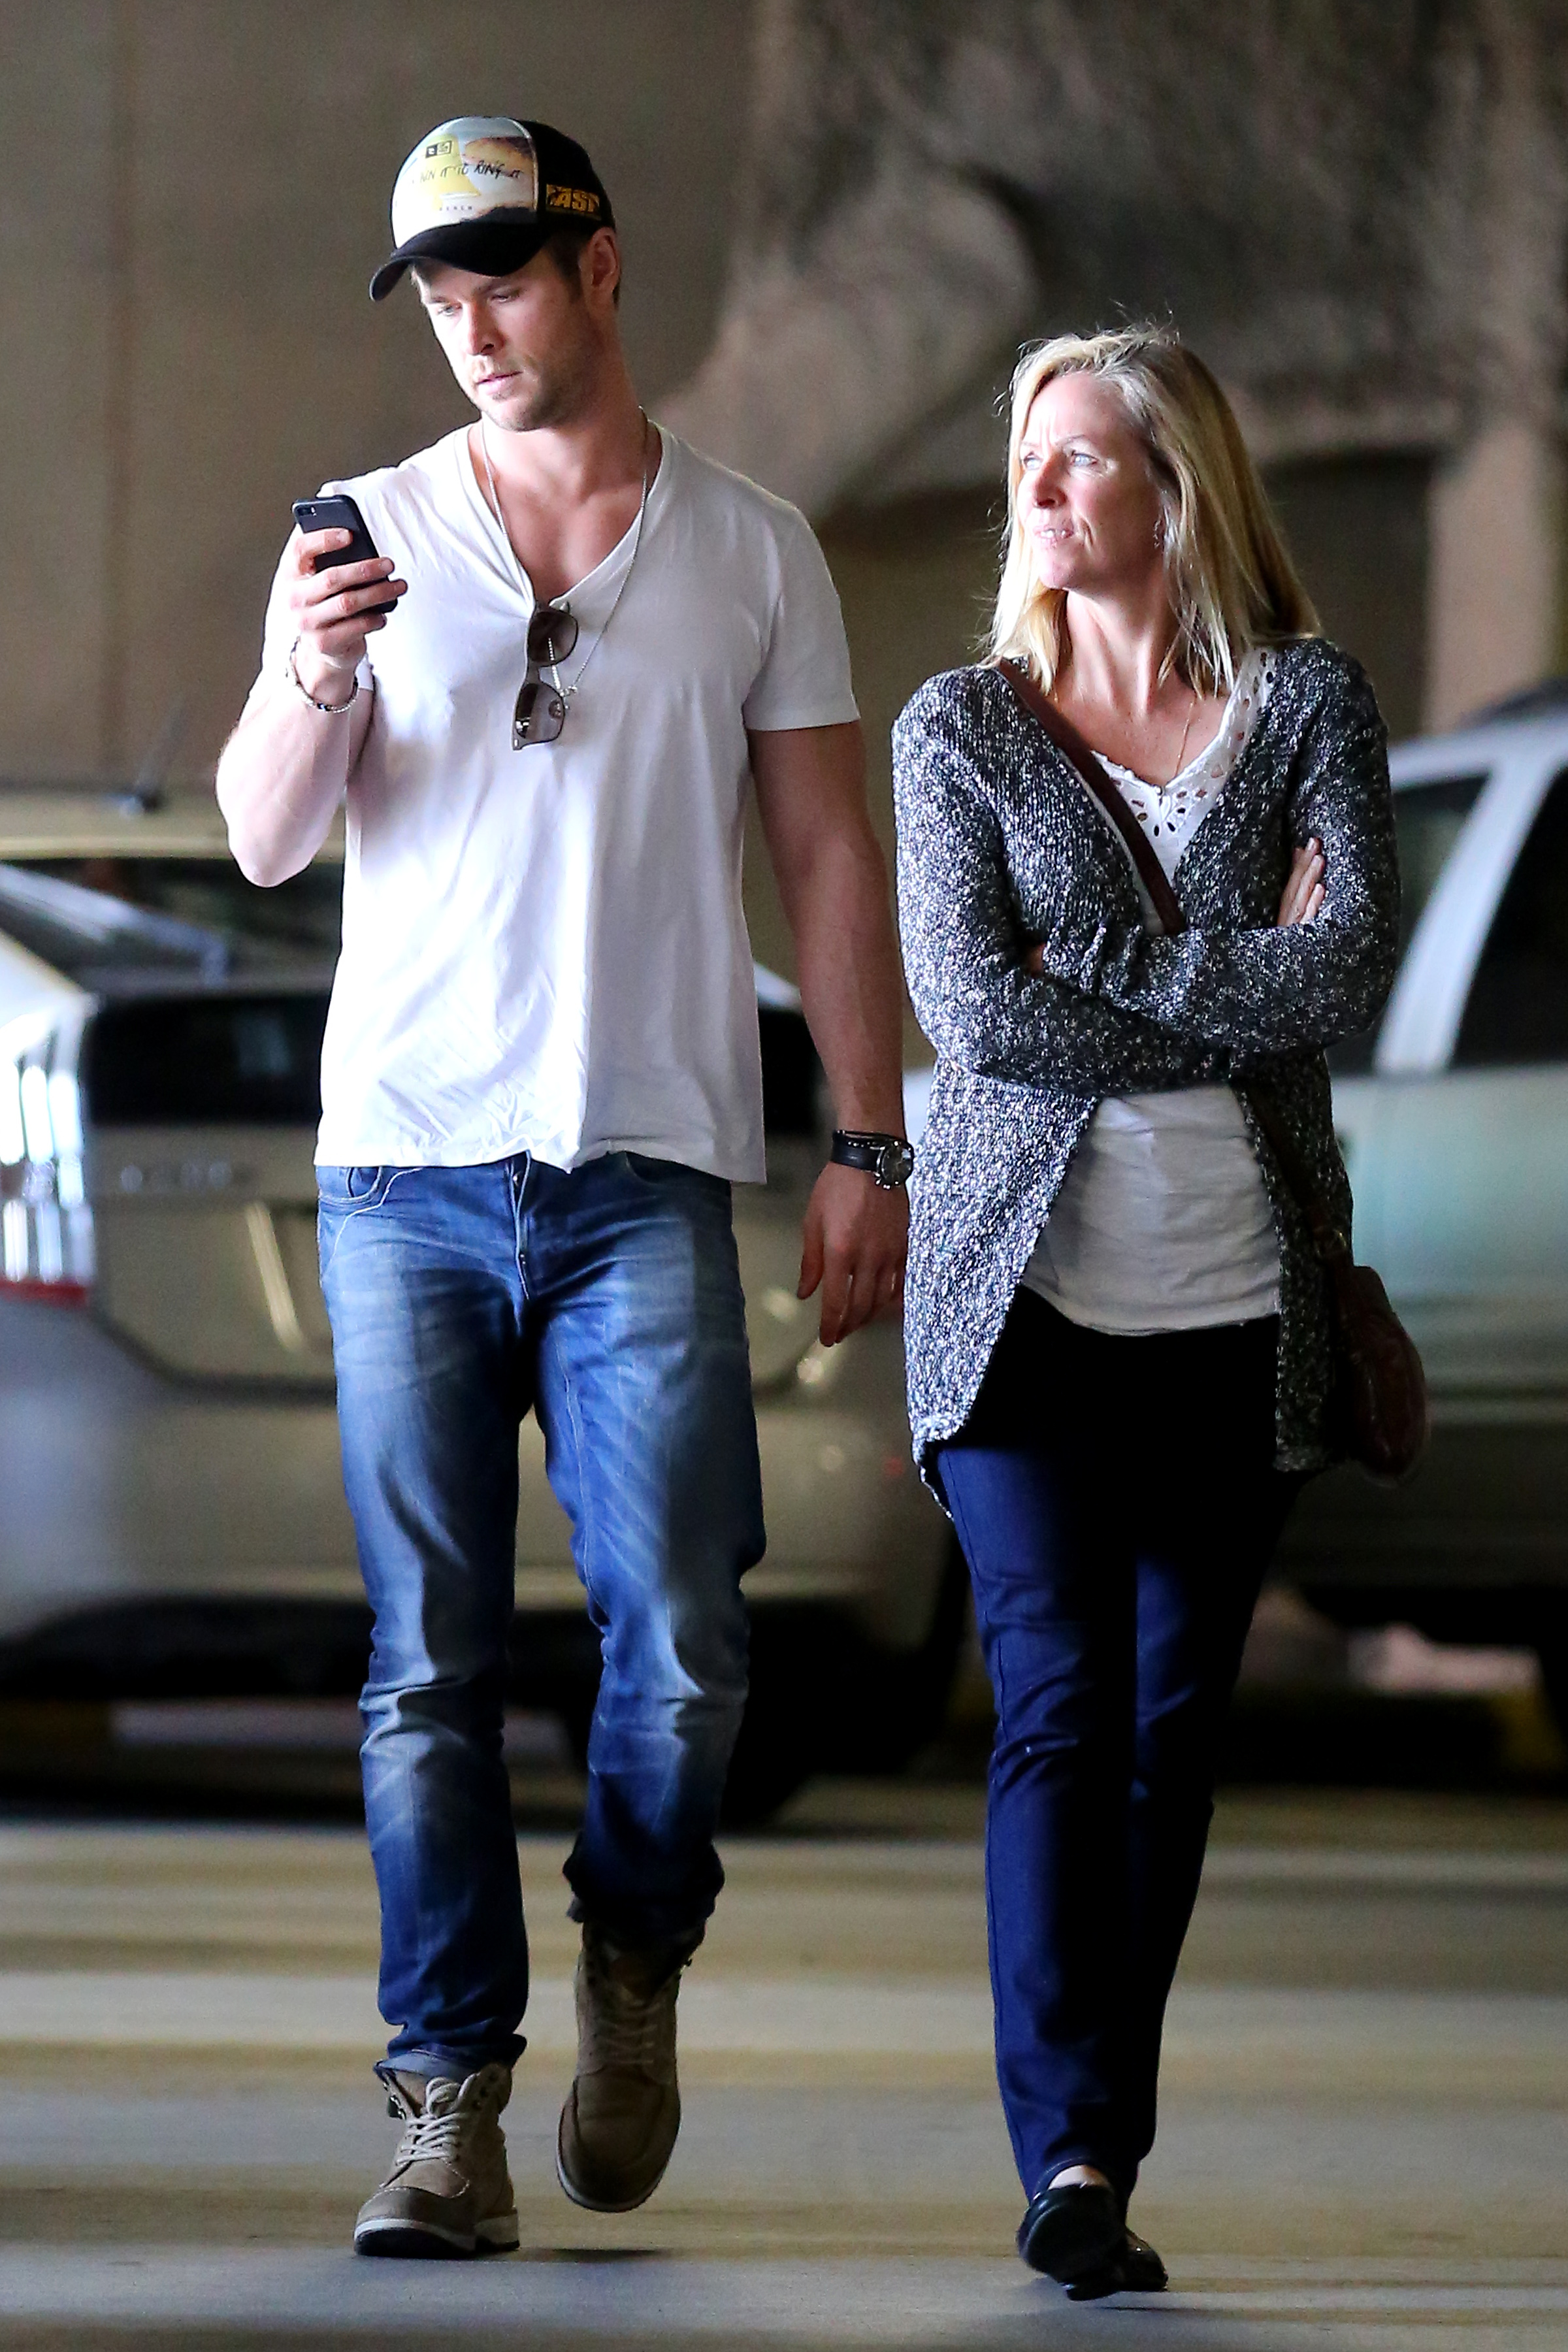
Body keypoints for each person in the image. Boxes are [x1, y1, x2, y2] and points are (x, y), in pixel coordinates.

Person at [216, 114, 911, 2259]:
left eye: (504, 278)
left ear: (601, 270)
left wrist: (869, 1137)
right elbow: (266, 834)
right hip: (405, 1175)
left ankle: (634, 1946)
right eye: (439, 294)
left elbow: (824, 858)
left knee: (686, 1642)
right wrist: (314, 669)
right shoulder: (362, 534)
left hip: (646, 1170)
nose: (473, 325)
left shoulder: (753, 550)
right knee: (425, 1667)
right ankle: (447, 2103)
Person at [892, 326, 1397, 2298]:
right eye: (1030, 455)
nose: (1036, 490)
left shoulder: (1307, 702)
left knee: (1171, 1731)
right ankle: (1074, 2159)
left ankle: (1107, 2121)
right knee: (1059, 1705)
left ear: (1178, 490)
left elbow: (1343, 971)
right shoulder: (961, 728)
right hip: (1020, 1308)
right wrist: (1225, 969)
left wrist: (1093, 955)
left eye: (1081, 458)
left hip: (1241, 1301)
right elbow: (978, 1012)